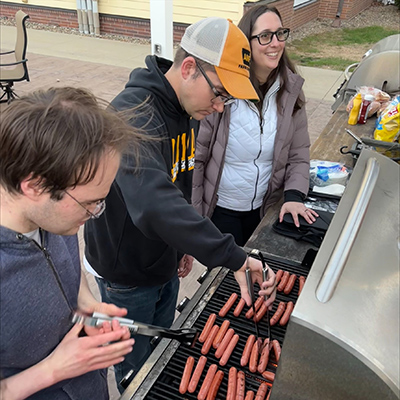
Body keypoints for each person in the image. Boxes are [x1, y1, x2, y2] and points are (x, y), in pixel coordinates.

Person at [84, 17, 277, 390]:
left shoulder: (186, 106)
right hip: (127, 275)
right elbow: (154, 203)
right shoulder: (133, 115)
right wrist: (231, 255)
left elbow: (178, 184)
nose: (221, 107)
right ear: (189, 68)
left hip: (163, 264)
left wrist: (179, 248)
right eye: (220, 93)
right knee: (138, 376)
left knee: (160, 357)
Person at [0, 87, 145, 400]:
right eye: (90, 203)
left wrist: (87, 306)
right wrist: (54, 369)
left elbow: (65, 268)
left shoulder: (51, 218)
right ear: (35, 185)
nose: (95, 214)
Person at [192, 5, 319, 247]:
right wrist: (195, 219)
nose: (275, 43)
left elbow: (299, 154)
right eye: (264, 36)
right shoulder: (223, 90)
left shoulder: (291, 90)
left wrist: (293, 195)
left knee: (263, 275)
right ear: (245, 43)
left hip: (266, 208)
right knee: (227, 278)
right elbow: (198, 160)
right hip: (221, 210)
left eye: (280, 34)